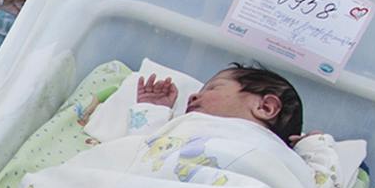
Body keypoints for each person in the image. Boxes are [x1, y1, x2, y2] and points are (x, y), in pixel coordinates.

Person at [124, 62, 304, 143]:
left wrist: (316, 148)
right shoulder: (183, 128)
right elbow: (140, 148)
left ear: (265, 107)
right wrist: (153, 108)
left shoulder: (276, 155)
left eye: (213, 88)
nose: (192, 97)